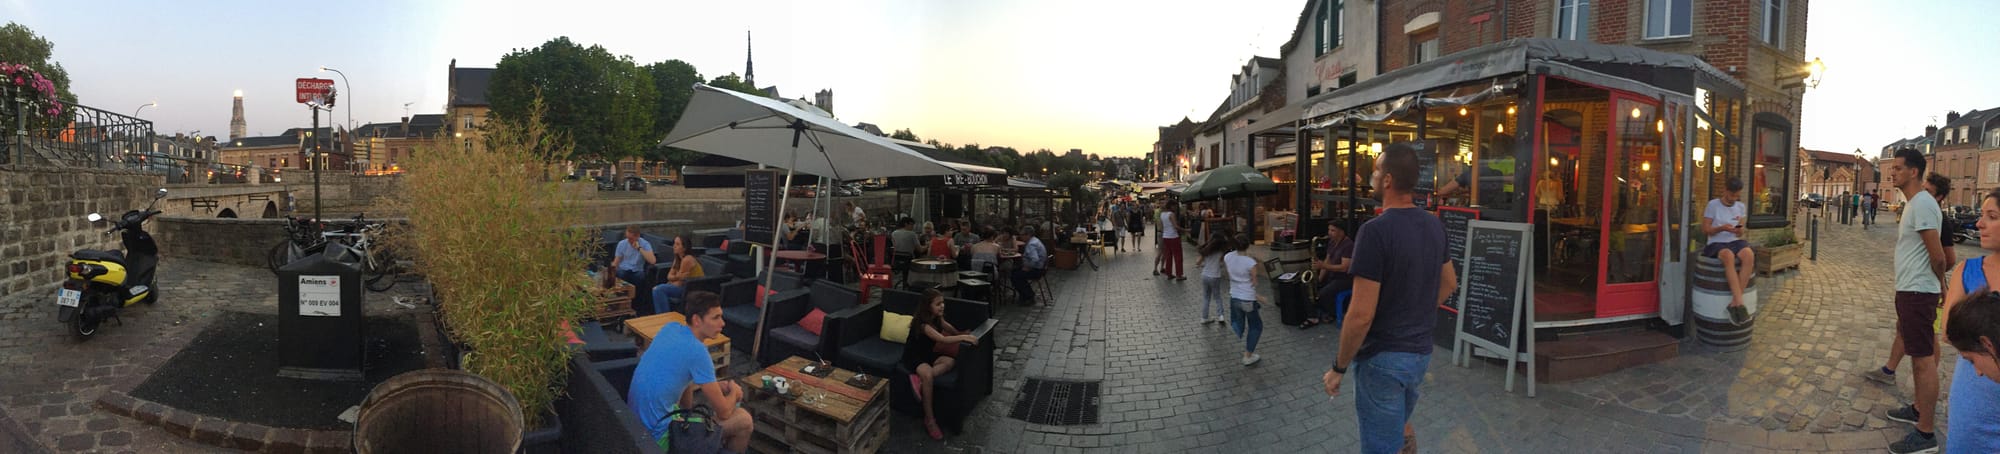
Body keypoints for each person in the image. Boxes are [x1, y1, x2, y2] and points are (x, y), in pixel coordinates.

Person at [1323, 142, 1457, 454]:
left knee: (1379, 445)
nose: (1370, 178)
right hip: (1420, 354)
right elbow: (1449, 282)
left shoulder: (1375, 231)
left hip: (1382, 359)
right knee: (1396, 427)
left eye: (1375, 171)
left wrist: (1338, 368)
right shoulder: (1434, 225)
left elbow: (1360, 315)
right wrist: (1416, 311)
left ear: (1387, 180)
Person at [1864, 148, 1950, 454]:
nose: (1892, 172)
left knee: (1923, 361)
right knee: (1917, 353)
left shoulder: (1923, 204)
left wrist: (1938, 283)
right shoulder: (1915, 204)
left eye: (1898, 168)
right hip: (1912, 290)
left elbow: (1938, 255)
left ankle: (1925, 434)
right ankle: (1917, 409)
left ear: (1914, 171)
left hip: (1917, 291)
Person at [628, 291, 754, 452]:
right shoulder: (697, 352)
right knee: (744, 420)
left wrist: (692, 409)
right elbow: (723, 412)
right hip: (658, 439)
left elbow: (682, 377)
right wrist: (734, 393)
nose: (722, 323)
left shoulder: (671, 328)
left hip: (635, 426)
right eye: (715, 317)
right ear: (696, 320)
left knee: (703, 417)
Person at [1936, 187, 2000, 454]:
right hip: (1974, 394)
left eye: (1992, 216)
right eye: (1982, 214)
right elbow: (1948, 332)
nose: (1979, 223)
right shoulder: (1968, 270)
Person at [905, 288, 979, 440]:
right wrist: (964, 338)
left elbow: (949, 328)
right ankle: (930, 420)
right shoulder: (924, 325)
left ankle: (918, 381)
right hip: (914, 357)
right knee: (927, 375)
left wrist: (959, 332)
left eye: (943, 302)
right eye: (938, 304)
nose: (942, 306)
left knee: (950, 361)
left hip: (928, 355)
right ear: (928, 306)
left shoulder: (937, 318)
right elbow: (942, 339)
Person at [1702, 178, 1756, 324]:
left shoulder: (1740, 207)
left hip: (1734, 240)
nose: (1734, 199)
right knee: (1728, 255)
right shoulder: (1713, 205)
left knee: (1749, 255)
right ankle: (1739, 302)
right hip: (1716, 242)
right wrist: (1721, 228)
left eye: (1737, 196)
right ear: (1725, 191)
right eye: (1732, 195)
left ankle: (1735, 302)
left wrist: (1739, 231)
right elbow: (1706, 229)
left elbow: (1741, 229)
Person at [1223, 233, 1267, 366]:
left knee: (1238, 319)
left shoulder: (1227, 257)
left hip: (1234, 296)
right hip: (1247, 299)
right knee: (1256, 326)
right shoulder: (1250, 262)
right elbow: (1254, 283)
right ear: (1248, 246)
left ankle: (1238, 330)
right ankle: (1248, 356)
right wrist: (1260, 297)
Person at [1304, 221, 1356, 329]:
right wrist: (1318, 279)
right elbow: (1327, 261)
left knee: (1323, 294)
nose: (1329, 233)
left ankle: (1332, 313)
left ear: (1341, 232)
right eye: (1329, 230)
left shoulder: (1348, 245)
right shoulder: (1332, 242)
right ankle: (1314, 315)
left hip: (1345, 279)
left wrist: (1323, 266)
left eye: (1333, 230)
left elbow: (1344, 268)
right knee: (1312, 290)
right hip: (1333, 276)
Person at [651, 235, 706, 314]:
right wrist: (676, 277)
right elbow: (669, 276)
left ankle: (664, 317)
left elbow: (678, 283)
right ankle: (662, 316)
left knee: (658, 290)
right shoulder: (677, 258)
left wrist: (672, 280)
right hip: (682, 285)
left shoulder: (687, 259)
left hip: (691, 288)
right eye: (674, 244)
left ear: (684, 248)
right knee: (657, 289)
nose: (674, 246)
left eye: (677, 244)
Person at [1192, 232, 1233, 326]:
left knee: (1206, 297)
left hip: (1205, 276)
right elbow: (1221, 264)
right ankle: (1221, 316)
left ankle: (1204, 318)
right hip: (1215, 276)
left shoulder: (1206, 251)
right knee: (1217, 297)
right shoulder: (1221, 252)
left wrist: (1202, 264)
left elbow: (1198, 262)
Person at [612, 225, 658, 290]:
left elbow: (653, 261)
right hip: (623, 268)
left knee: (640, 277)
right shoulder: (622, 244)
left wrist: (639, 248)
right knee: (621, 274)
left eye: (631, 238)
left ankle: (636, 298)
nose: (629, 240)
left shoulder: (645, 244)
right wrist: (611, 271)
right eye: (627, 237)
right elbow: (616, 261)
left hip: (637, 270)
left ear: (638, 236)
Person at [1012, 226, 1048, 305]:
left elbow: (1035, 259)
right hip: (1041, 268)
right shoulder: (1035, 240)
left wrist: (1028, 267)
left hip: (1036, 270)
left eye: (1022, 235)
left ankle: (1028, 296)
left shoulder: (1031, 245)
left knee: (1016, 276)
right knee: (1014, 271)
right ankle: (1024, 294)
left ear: (1028, 235)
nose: (1021, 237)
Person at [1157, 201, 1185, 280]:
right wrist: (1186, 230)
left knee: (1168, 256)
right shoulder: (1171, 214)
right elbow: (1176, 226)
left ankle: (1169, 273)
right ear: (1171, 206)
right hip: (1174, 237)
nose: (1176, 208)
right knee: (1178, 256)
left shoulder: (1162, 214)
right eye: (1175, 206)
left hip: (1166, 237)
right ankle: (1179, 275)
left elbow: (1161, 227)